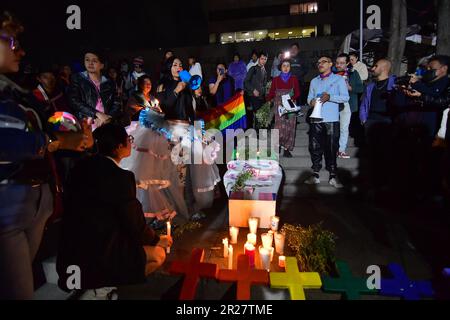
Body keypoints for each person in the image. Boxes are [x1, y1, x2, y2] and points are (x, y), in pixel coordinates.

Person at [0, 11, 92, 299]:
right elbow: (8, 143)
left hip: (34, 203)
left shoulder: (14, 94)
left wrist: (74, 137)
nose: (22, 50)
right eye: (12, 42)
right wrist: (57, 141)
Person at [57, 123, 172, 294]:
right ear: (119, 147)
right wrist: (156, 240)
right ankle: (105, 286)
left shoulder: (79, 168)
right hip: (101, 249)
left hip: (73, 248)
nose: (131, 143)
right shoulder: (121, 177)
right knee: (158, 255)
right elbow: (133, 222)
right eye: (129, 140)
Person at [305, 56, 349, 188]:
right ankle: (315, 174)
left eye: (323, 62)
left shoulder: (338, 79)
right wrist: (311, 102)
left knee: (331, 148)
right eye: (318, 62)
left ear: (330, 64)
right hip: (315, 119)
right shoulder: (314, 81)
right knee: (314, 147)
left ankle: (333, 176)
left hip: (331, 119)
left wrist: (330, 97)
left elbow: (345, 97)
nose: (320, 64)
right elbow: (309, 98)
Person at [68, 50, 124, 129]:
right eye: (87, 60)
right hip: (86, 123)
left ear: (101, 65)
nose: (90, 63)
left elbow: (117, 103)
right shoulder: (78, 79)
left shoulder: (109, 82)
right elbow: (74, 100)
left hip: (106, 123)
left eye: (94, 61)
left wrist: (108, 117)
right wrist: (97, 114)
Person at [267, 59, 300, 158]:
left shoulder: (294, 79)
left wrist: (292, 99)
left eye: (288, 66)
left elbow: (298, 92)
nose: (286, 68)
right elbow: (272, 93)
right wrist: (267, 100)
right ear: (280, 67)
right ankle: (278, 145)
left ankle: (286, 149)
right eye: (284, 66)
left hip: (290, 104)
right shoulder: (276, 80)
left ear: (290, 68)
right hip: (279, 105)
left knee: (290, 126)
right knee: (279, 126)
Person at [334, 53, 364, 159]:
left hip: (347, 104)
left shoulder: (353, 73)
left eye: (342, 63)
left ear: (347, 63)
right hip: (333, 103)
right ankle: (332, 149)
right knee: (333, 128)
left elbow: (361, 88)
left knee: (344, 128)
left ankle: (341, 150)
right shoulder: (331, 74)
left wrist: (350, 87)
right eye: (337, 63)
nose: (339, 65)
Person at [156, 56, 195, 123]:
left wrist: (196, 126)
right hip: (170, 126)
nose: (178, 67)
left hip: (185, 125)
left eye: (180, 65)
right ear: (169, 67)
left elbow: (190, 108)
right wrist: (176, 91)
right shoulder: (162, 86)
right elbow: (164, 108)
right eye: (175, 65)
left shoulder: (185, 85)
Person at [244, 51, 268, 128]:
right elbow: (246, 82)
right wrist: (253, 90)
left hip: (261, 97)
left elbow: (264, 85)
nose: (263, 61)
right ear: (258, 59)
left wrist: (265, 91)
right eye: (262, 59)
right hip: (252, 96)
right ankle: (256, 132)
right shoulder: (252, 69)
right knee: (256, 115)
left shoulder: (265, 71)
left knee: (261, 115)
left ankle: (259, 132)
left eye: (265, 59)